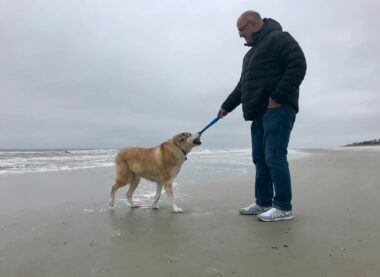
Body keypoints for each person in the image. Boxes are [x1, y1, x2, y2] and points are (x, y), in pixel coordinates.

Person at [218, 11, 307, 221]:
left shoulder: (279, 38)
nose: (240, 36)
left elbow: (298, 65)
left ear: (253, 23)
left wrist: (277, 97)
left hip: (278, 108)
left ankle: (284, 207)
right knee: (260, 159)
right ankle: (263, 202)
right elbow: (243, 86)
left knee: (274, 157)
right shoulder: (250, 55)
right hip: (258, 113)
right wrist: (226, 106)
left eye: (242, 30)